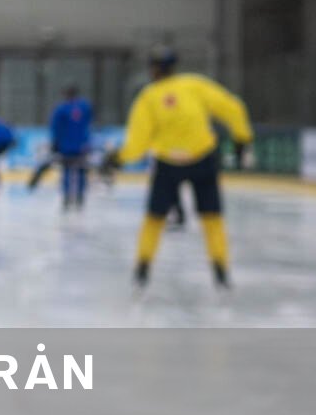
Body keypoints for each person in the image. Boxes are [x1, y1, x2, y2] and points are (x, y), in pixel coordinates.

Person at [102, 45, 253, 288]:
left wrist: (116, 158)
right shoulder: (195, 85)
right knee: (212, 218)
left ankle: (142, 268)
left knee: (154, 219)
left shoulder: (148, 97)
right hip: (203, 158)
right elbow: (232, 107)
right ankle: (220, 270)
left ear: (153, 69)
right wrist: (242, 140)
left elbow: (138, 145)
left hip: (168, 164)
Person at [44, 86, 94, 210]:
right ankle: (80, 197)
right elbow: (89, 123)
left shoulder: (61, 108)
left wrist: (55, 143)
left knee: (66, 171)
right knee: (81, 171)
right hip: (82, 145)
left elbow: (55, 127)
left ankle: (67, 197)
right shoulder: (85, 106)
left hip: (66, 145)